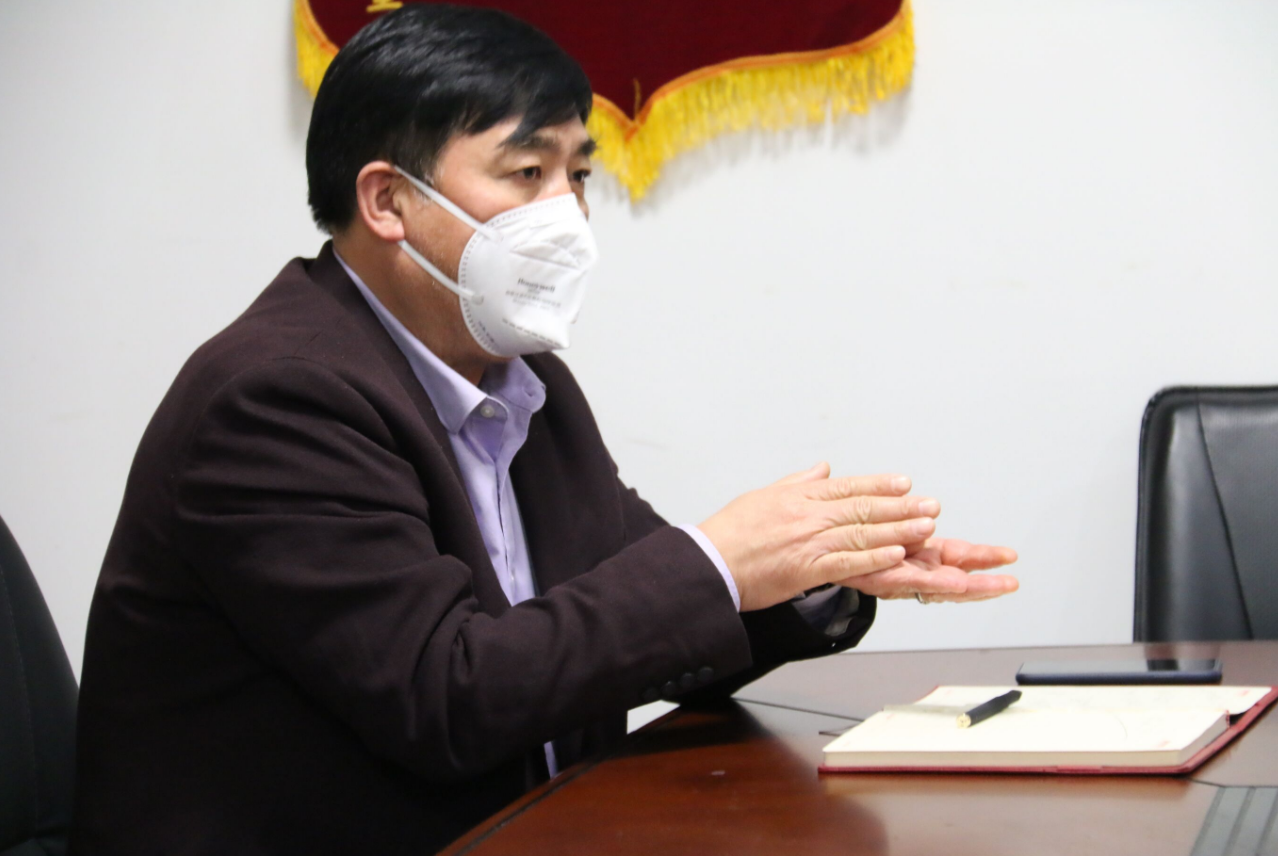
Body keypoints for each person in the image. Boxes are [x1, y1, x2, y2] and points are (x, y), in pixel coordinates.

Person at [69, 6, 1018, 854]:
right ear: (387, 201)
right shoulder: (278, 399)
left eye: (577, 175)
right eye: (526, 173)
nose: (567, 213)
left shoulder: (522, 381)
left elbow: (626, 620)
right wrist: (721, 562)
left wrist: (814, 570)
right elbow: (448, 698)